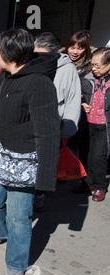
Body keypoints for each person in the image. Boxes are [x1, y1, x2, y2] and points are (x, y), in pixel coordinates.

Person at [0, 28, 61, 275]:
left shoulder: (39, 83)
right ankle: (0, 232)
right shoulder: (2, 77)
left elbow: (48, 132)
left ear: (9, 54)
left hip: (25, 162)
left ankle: (16, 261)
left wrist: (45, 178)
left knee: (18, 215)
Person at [33, 32, 82, 211]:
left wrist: (66, 128)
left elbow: (73, 100)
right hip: (31, 123)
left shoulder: (67, 69)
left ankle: (40, 195)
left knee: (45, 163)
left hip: (54, 124)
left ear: (53, 53)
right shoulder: (33, 63)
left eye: (41, 54)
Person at [62, 31, 94, 193]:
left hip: (80, 114)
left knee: (76, 146)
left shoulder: (90, 67)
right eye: (72, 47)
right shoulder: (59, 59)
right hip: (61, 110)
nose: (74, 51)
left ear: (85, 50)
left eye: (79, 48)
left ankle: (82, 179)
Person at [80, 47, 110, 201]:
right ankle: (87, 182)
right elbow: (81, 95)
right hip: (89, 122)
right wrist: (83, 103)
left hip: (104, 125)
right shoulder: (89, 78)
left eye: (98, 66)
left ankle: (100, 185)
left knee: (98, 156)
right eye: (93, 65)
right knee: (87, 154)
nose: (94, 68)